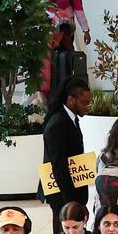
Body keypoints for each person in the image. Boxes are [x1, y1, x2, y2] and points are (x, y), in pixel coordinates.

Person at [42, 76, 95, 223]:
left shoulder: (70, 118)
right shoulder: (58, 125)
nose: (88, 106)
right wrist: (71, 201)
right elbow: (59, 167)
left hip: (70, 191)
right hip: (62, 194)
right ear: (71, 100)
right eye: (85, 102)